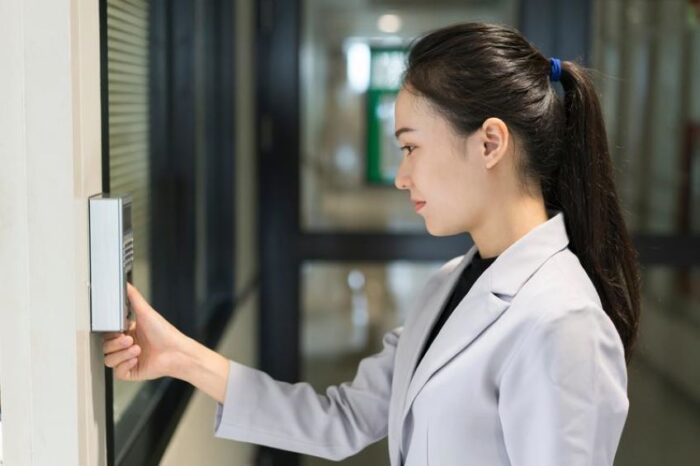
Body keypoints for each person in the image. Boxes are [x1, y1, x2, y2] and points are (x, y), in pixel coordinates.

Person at [103, 22, 640, 466]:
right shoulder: (450, 284)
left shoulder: (562, 322)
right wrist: (180, 357)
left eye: (411, 147)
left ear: (490, 142)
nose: (402, 177)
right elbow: (341, 420)